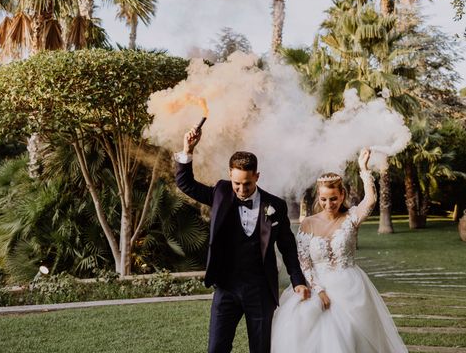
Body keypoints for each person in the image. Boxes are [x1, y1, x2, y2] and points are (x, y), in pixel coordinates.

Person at [174, 127, 310, 353]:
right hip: (226, 287)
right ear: (230, 174)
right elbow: (185, 183)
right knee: (216, 348)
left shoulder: (275, 205)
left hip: (260, 288)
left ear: (257, 176)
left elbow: (287, 246)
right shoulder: (220, 192)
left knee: (261, 348)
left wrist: (298, 280)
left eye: (247, 183)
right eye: (237, 183)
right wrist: (188, 150)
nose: (241, 189)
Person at [270, 149, 409, 353]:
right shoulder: (307, 223)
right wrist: (319, 290)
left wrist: (364, 170)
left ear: (342, 195)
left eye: (333, 198)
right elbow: (304, 262)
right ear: (319, 196)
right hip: (316, 284)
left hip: (350, 286)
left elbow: (370, 201)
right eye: (324, 199)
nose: (329, 204)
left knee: (351, 334)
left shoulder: (351, 217)